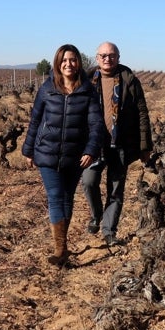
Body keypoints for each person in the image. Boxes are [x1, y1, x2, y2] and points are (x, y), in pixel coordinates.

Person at [22, 44, 104, 265]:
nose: (69, 64)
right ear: (58, 63)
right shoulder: (47, 89)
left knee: (67, 198)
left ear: (78, 63)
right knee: (56, 196)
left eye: (73, 60)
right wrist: (28, 150)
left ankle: (63, 245)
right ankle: (60, 249)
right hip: (47, 154)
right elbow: (35, 121)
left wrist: (91, 150)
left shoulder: (88, 92)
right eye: (64, 60)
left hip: (75, 155)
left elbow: (96, 125)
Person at [81, 41, 153, 246]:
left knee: (115, 190)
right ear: (97, 58)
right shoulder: (86, 80)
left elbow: (142, 112)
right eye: (103, 55)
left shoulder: (129, 80)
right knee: (88, 181)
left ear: (118, 57)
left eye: (111, 55)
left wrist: (144, 146)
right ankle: (96, 215)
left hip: (120, 143)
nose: (107, 59)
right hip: (93, 145)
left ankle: (109, 231)